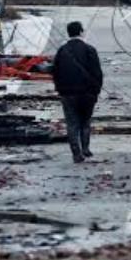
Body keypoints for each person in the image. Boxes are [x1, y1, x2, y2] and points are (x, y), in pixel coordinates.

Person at [51, 21, 103, 163]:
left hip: (68, 93)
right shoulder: (89, 50)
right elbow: (97, 73)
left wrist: (60, 89)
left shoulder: (62, 51)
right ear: (81, 32)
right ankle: (86, 148)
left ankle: (76, 153)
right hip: (87, 93)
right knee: (85, 121)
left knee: (72, 122)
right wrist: (96, 92)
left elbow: (54, 72)